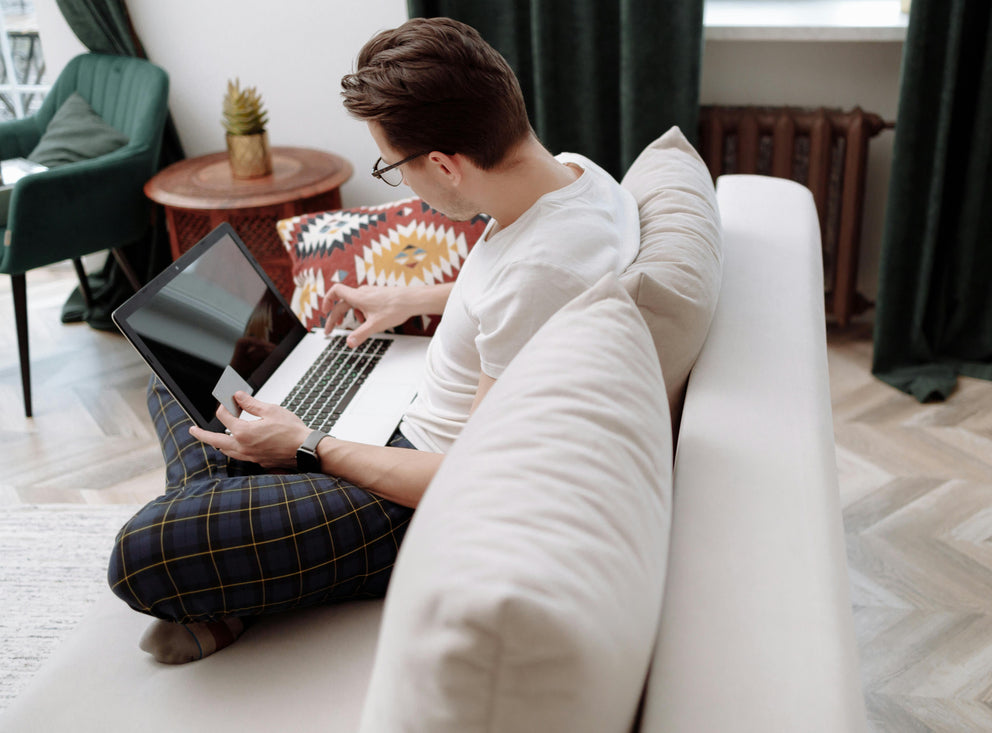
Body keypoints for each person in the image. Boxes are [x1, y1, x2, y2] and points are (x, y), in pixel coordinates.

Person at [108, 16, 640, 664]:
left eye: (393, 166)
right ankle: (231, 552)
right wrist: (413, 298)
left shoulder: (542, 271)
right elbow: (519, 301)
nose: (398, 178)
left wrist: (307, 444)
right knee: (180, 380)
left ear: (444, 164)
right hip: (396, 410)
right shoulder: (577, 176)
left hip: (406, 499)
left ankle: (228, 570)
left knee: (144, 550)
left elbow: (466, 476)